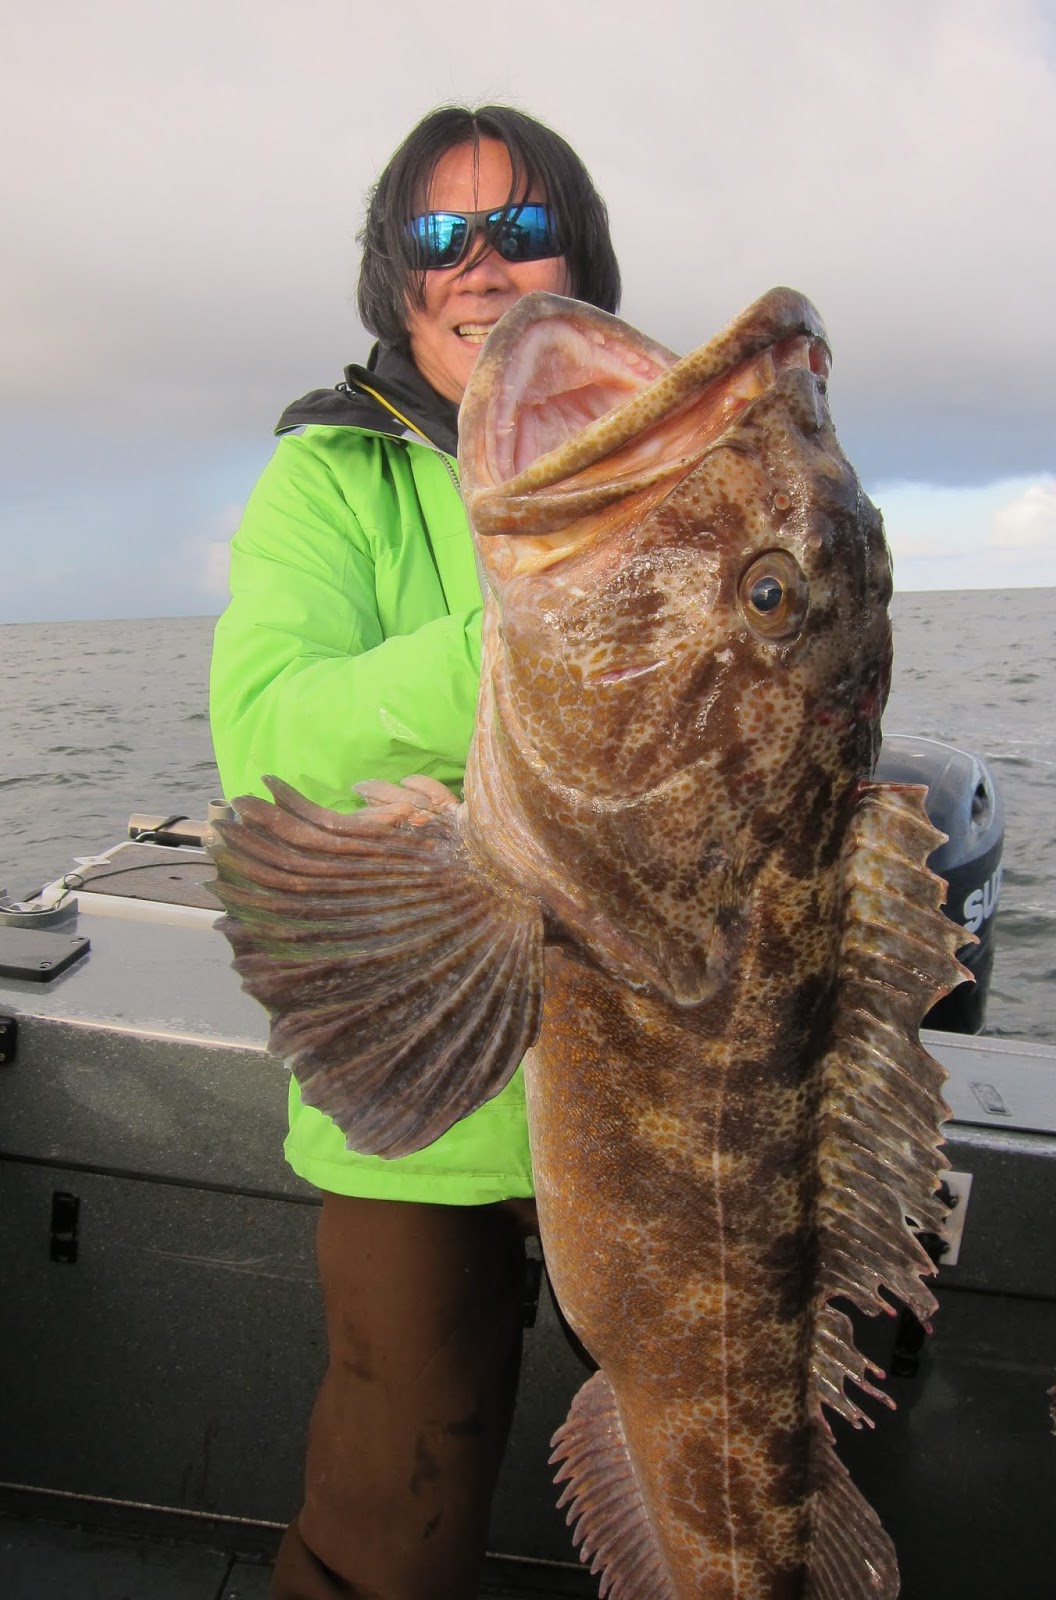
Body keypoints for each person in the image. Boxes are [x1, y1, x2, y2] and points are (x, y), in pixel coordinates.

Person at [209, 105, 621, 1600]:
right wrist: (529, 642)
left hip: (659, 1065)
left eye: (523, 228)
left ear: (584, 262)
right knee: (388, 1506)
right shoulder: (329, 481)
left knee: (718, 1467)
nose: (483, 266)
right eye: (443, 237)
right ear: (398, 279)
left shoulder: (675, 459)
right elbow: (267, 731)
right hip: (421, 1079)